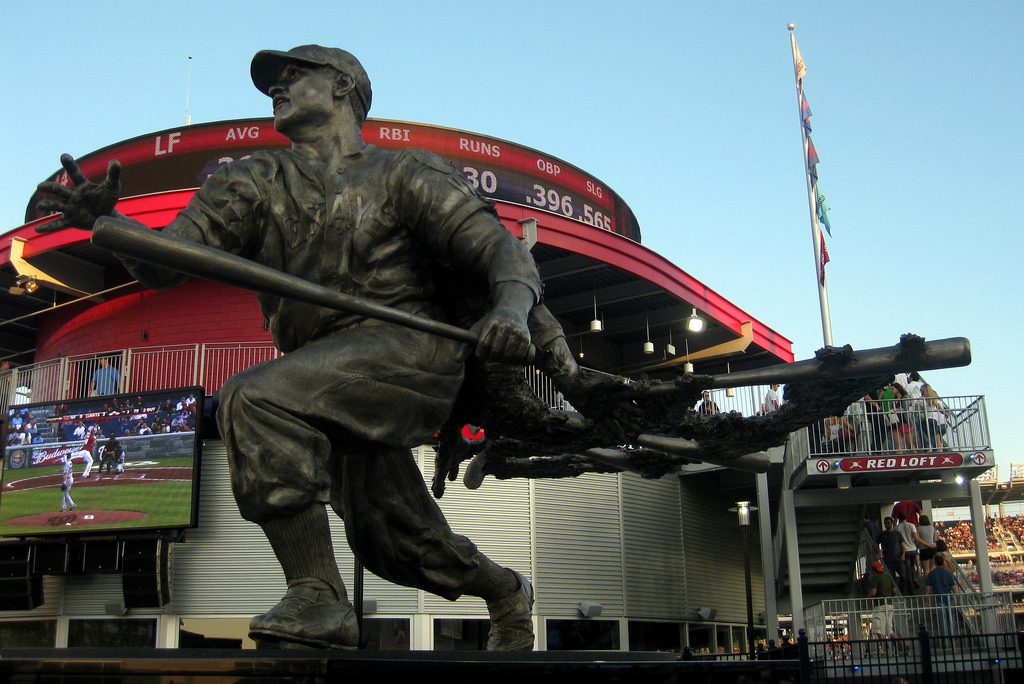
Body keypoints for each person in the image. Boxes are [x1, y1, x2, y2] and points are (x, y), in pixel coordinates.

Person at [35, 45, 577, 652]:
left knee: (254, 399)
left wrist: (508, 309)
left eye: (295, 76)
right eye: (274, 82)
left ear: (343, 85)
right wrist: (110, 224)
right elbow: (168, 261)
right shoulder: (253, 179)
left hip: (411, 353)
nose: (278, 88)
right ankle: (505, 589)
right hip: (324, 369)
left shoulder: (405, 174)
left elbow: (502, 251)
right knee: (395, 541)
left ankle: (318, 596)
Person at [925, 552, 958, 636]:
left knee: (942, 620)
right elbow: (954, 589)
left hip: (939, 599)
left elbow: (928, 590)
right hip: (949, 598)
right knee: (951, 618)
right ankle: (952, 637)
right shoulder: (948, 574)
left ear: (935, 563)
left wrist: (927, 601)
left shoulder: (931, 575)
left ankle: (945, 641)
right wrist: (958, 600)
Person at [866, 560, 897, 640]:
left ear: (873, 570)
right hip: (890, 605)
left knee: (879, 631)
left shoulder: (875, 578)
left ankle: (884, 652)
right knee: (889, 630)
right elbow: (894, 591)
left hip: (880, 606)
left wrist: (865, 599)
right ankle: (903, 644)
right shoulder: (887, 577)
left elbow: (873, 592)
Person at [877, 517, 907, 592]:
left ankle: (901, 591)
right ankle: (894, 591)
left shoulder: (897, 534)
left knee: (903, 576)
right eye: (885, 523)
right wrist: (879, 551)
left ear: (892, 523)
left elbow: (903, 545)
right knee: (891, 578)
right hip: (888, 560)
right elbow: (875, 544)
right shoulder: (882, 534)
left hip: (898, 559)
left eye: (888, 523)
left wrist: (903, 554)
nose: (887, 525)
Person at [894, 509, 919, 594]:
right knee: (912, 568)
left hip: (904, 551)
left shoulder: (897, 528)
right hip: (913, 549)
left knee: (907, 571)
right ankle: (913, 580)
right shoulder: (911, 525)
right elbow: (916, 538)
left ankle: (910, 589)